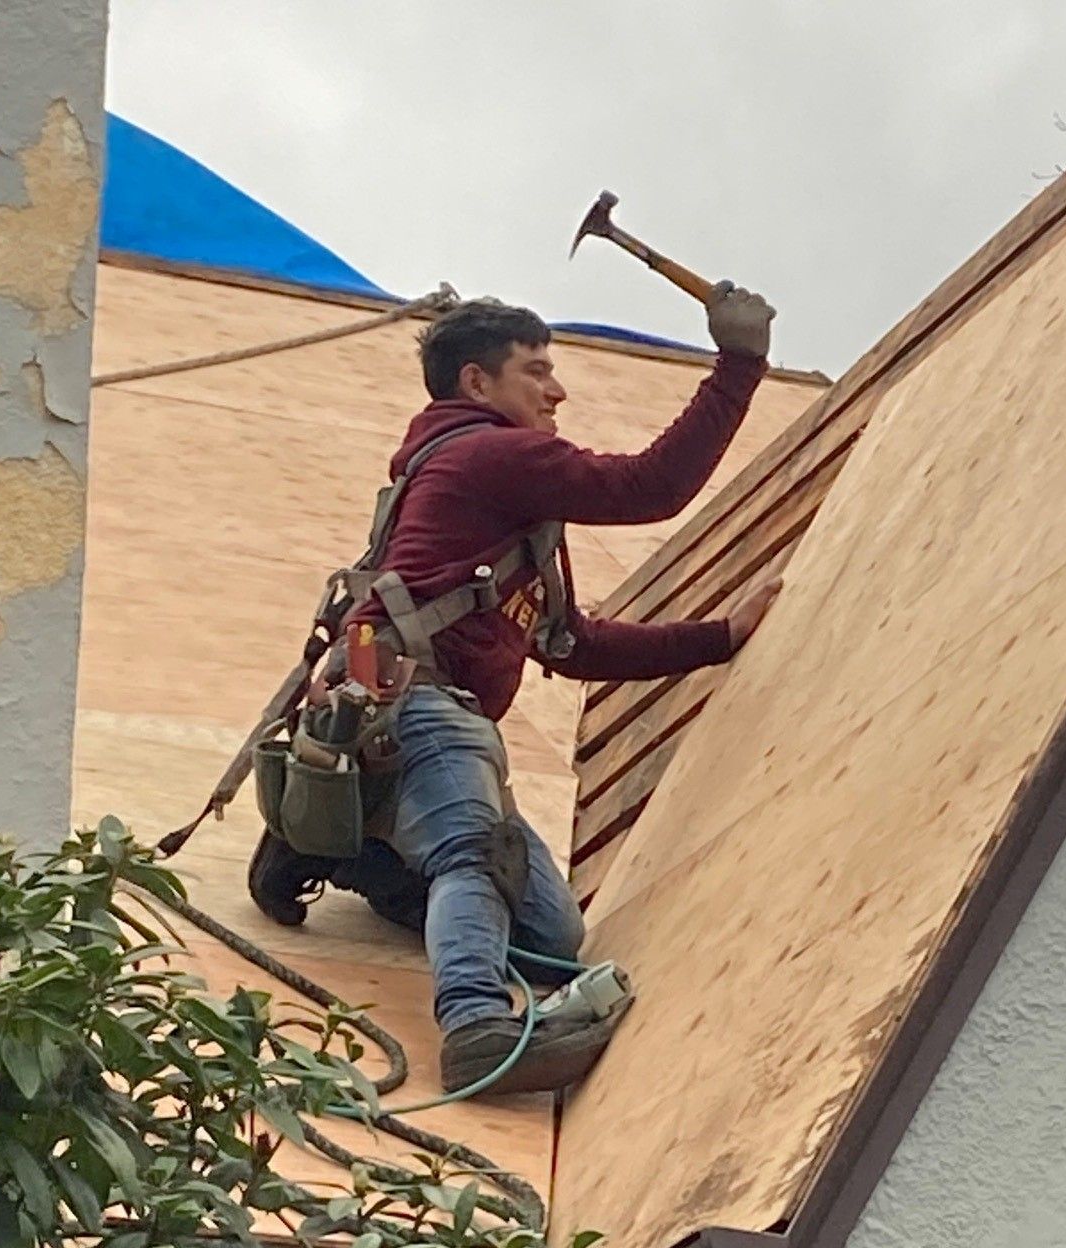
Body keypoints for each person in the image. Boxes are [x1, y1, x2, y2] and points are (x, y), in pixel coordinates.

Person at [254, 283, 781, 1095]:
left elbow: (568, 644)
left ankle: (339, 843)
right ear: (477, 384)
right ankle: (474, 1025)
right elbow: (651, 488)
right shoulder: (492, 455)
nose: (556, 389)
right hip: (422, 706)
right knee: (471, 854)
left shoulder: (497, 504)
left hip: (392, 704)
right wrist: (739, 363)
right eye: (536, 370)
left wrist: (717, 640)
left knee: (552, 935)